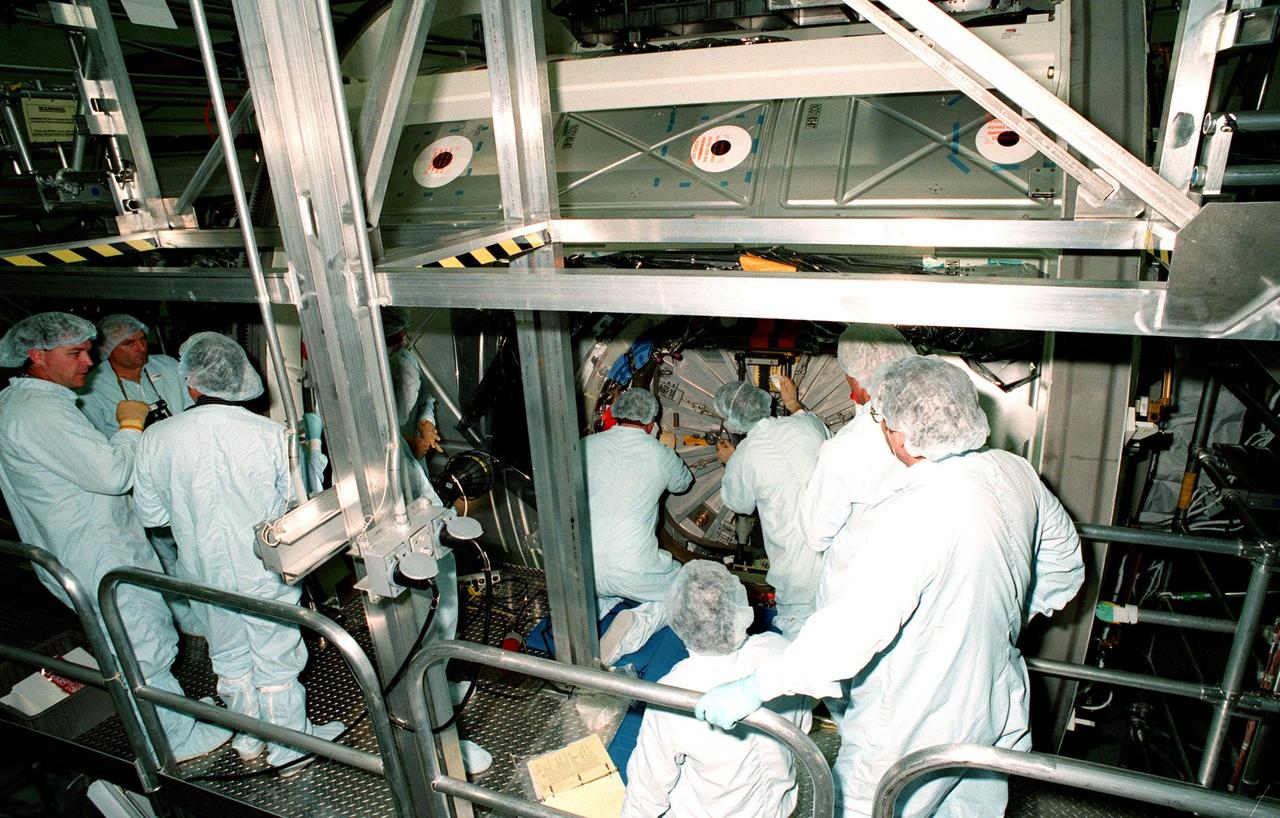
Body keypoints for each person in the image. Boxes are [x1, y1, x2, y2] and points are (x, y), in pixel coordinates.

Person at [696, 356, 1085, 817]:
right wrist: (990, 616)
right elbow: (1065, 569)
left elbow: (852, 630)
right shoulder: (1014, 472)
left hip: (917, 716)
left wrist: (758, 685)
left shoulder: (914, 512)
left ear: (899, 436)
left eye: (880, 418)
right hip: (998, 695)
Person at [0, 313, 231, 762]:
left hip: (77, 544)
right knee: (142, 643)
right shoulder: (40, 411)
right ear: (36, 355)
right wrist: (130, 427)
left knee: (137, 638)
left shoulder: (24, 404)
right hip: (95, 550)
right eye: (75, 353)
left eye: (88, 350)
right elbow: (112, 473)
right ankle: (175, 741)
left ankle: (173, 716)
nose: (88, 361)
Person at [131, 332, 343, 774]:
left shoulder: (155, 438)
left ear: (190, 384)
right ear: (239, 380)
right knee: (276, 656)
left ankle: (249, 738)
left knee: (228, 655)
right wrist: (314, 450)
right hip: (265, 567)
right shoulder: (271, 435)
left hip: (200, 570)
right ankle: (290, 746)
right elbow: (299, 501)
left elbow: (151, 514)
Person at [621, 561, 810, 818]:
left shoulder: (674, 693)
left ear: (678, 617)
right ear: (739, 609)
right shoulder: (779, 650)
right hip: (780, 809)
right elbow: (802, 726)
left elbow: (648, 789)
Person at [78, 313, 201, 635]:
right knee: (160, 551)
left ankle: (209, 603)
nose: (140, 348)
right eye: (128, 343)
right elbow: (101, 442)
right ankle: (183, 616)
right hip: (139, 479)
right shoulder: (93, 387)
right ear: (107, 349)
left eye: (142, 339)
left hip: (182, 468)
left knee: (195, 542)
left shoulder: (165, 366)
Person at [798, 324, 916, 608]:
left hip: (858, 596)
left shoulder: (846, 448)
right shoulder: (934, 420)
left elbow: (815, 533)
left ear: (859, 380)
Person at [583, 388, 692, 664]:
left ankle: (593, 608)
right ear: (651, 422)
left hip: (581, 567)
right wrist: (667, 447)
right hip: (633, 571)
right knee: (685, 588)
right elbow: (683, 484)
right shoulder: (659, 454)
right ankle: (635, 625)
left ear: (615, 414)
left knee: (602, 582)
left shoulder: (585, 445)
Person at [713, 378, 828, 638]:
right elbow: (816, 426)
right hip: (837, 556)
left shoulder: (745, 457)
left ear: (732, 421)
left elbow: (738, 503)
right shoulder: (806, 425)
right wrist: (792, 402)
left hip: (798, 574)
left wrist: (731, 463)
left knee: (801, 648)